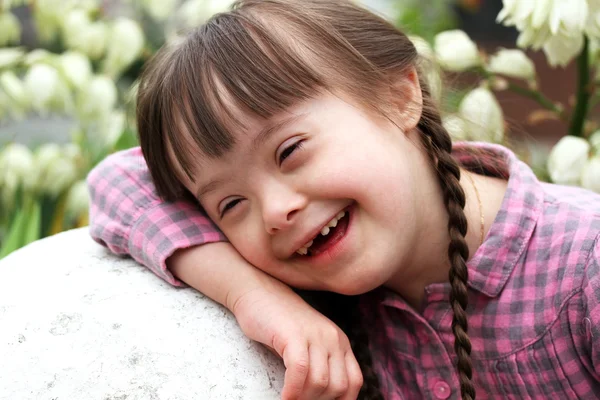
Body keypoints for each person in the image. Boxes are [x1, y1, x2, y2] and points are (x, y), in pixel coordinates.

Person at [87, 0, 600, 399]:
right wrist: (255, 297)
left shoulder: (585, 270)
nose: (273, 211)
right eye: (230, 204)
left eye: (289, 151)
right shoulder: (342, 301)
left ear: (399, 97)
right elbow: (117, 181)